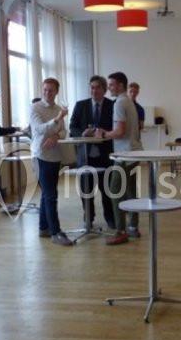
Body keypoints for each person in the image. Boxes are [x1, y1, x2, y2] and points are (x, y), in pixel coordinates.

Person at [94, 71, 142, 245]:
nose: (109, 88)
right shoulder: (129, 102)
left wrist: (104, 134)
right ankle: (133, 227)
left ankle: (120, 231)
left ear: (121, 85)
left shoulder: (119, 103)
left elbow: (120, 131)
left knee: (115, 191)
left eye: (112, 85)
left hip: (124, 155)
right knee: (130, 192)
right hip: (134, 153)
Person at [30, 78, 73, 246]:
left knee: (47, 194)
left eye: (51, 90)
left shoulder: (57, 109)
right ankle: (56, 232)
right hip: (41, 156)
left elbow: (64, 132)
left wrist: (56, 135)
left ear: (56, 92)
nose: (48, 93)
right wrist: (57, 120)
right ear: (42, 90)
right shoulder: (35, 108)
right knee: (51, 195)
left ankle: (43, 228)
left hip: (55, 156)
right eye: (45, 90)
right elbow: (39, 129)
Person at [69, 75, 115, 230]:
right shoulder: (80, 105)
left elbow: (115, 130)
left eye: (97, 87)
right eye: (92, 87)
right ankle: (88, 217)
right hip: (85, 156)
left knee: (107, 189)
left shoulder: (112, 105)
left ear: (104, 89)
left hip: (105, 155)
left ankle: (110, 218)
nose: (94, 90)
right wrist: (83, 133)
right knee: (86, 189)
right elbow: (72, 127)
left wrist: (103, 133)